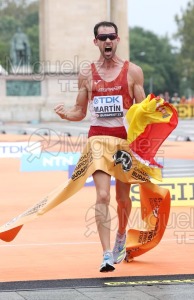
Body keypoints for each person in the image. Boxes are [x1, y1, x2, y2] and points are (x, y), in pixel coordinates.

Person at [54, 21, 146, 272]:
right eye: (102, 37)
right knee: (103, 195)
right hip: (97, 140)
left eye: (111, 37)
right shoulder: (86, 74)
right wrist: (66, 115)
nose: (107, 41)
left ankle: (121, 235)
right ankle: (106, 254)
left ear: (117, 40)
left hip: (123, 143)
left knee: (122, 199)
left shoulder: (133, 72)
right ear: (95, 42)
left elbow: (143, 113)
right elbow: (79, 111)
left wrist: (149, 135)